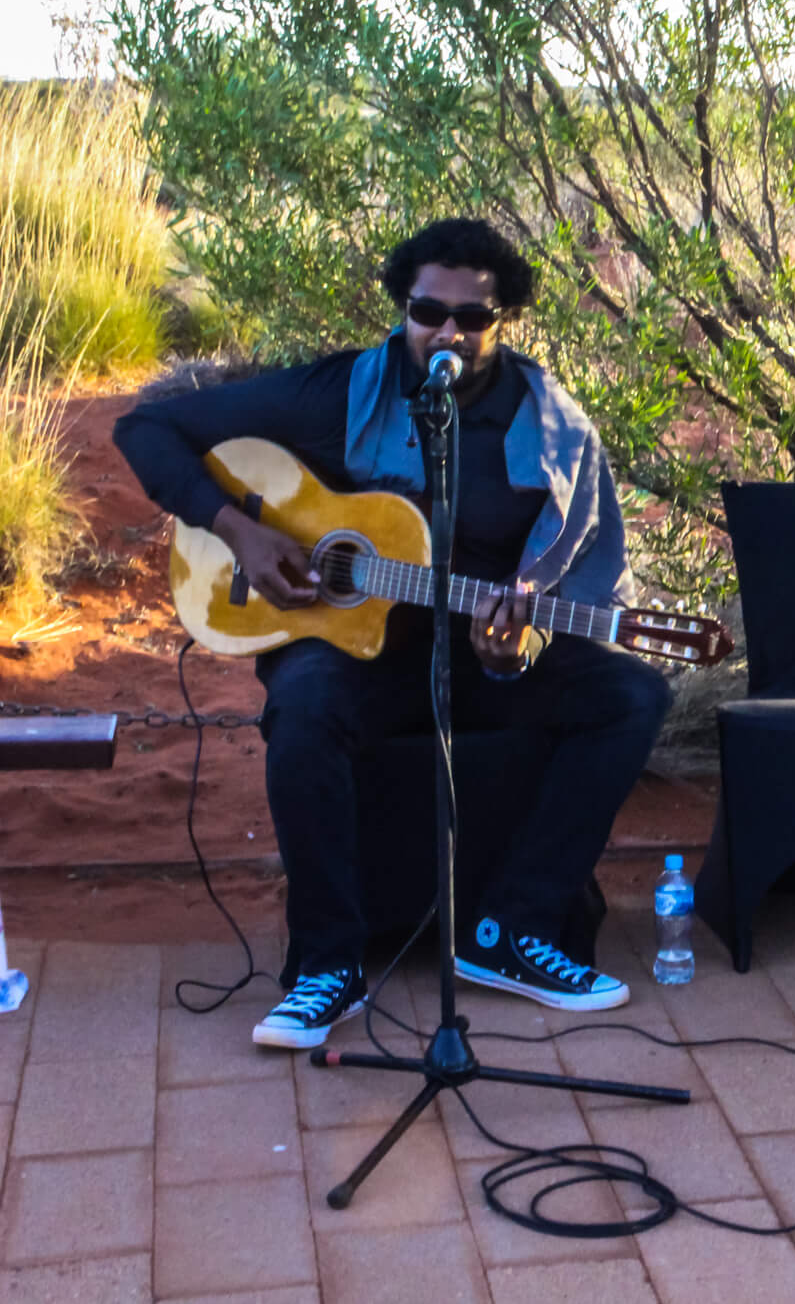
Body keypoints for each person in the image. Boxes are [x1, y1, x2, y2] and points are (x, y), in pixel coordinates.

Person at [114, 218, 673, 1049]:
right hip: (350, 642)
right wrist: (240, 532)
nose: (447, 331)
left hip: (476, 649)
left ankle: (516, 930)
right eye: (427, 310)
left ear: (504, 320)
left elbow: (569, 567)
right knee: (302, 713)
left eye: (472, 318)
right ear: (403, 306)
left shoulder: (550, 424)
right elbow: (144, 430)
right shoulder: (339, 393)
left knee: (631, 695)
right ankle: (326, 967)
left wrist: (519, 642)